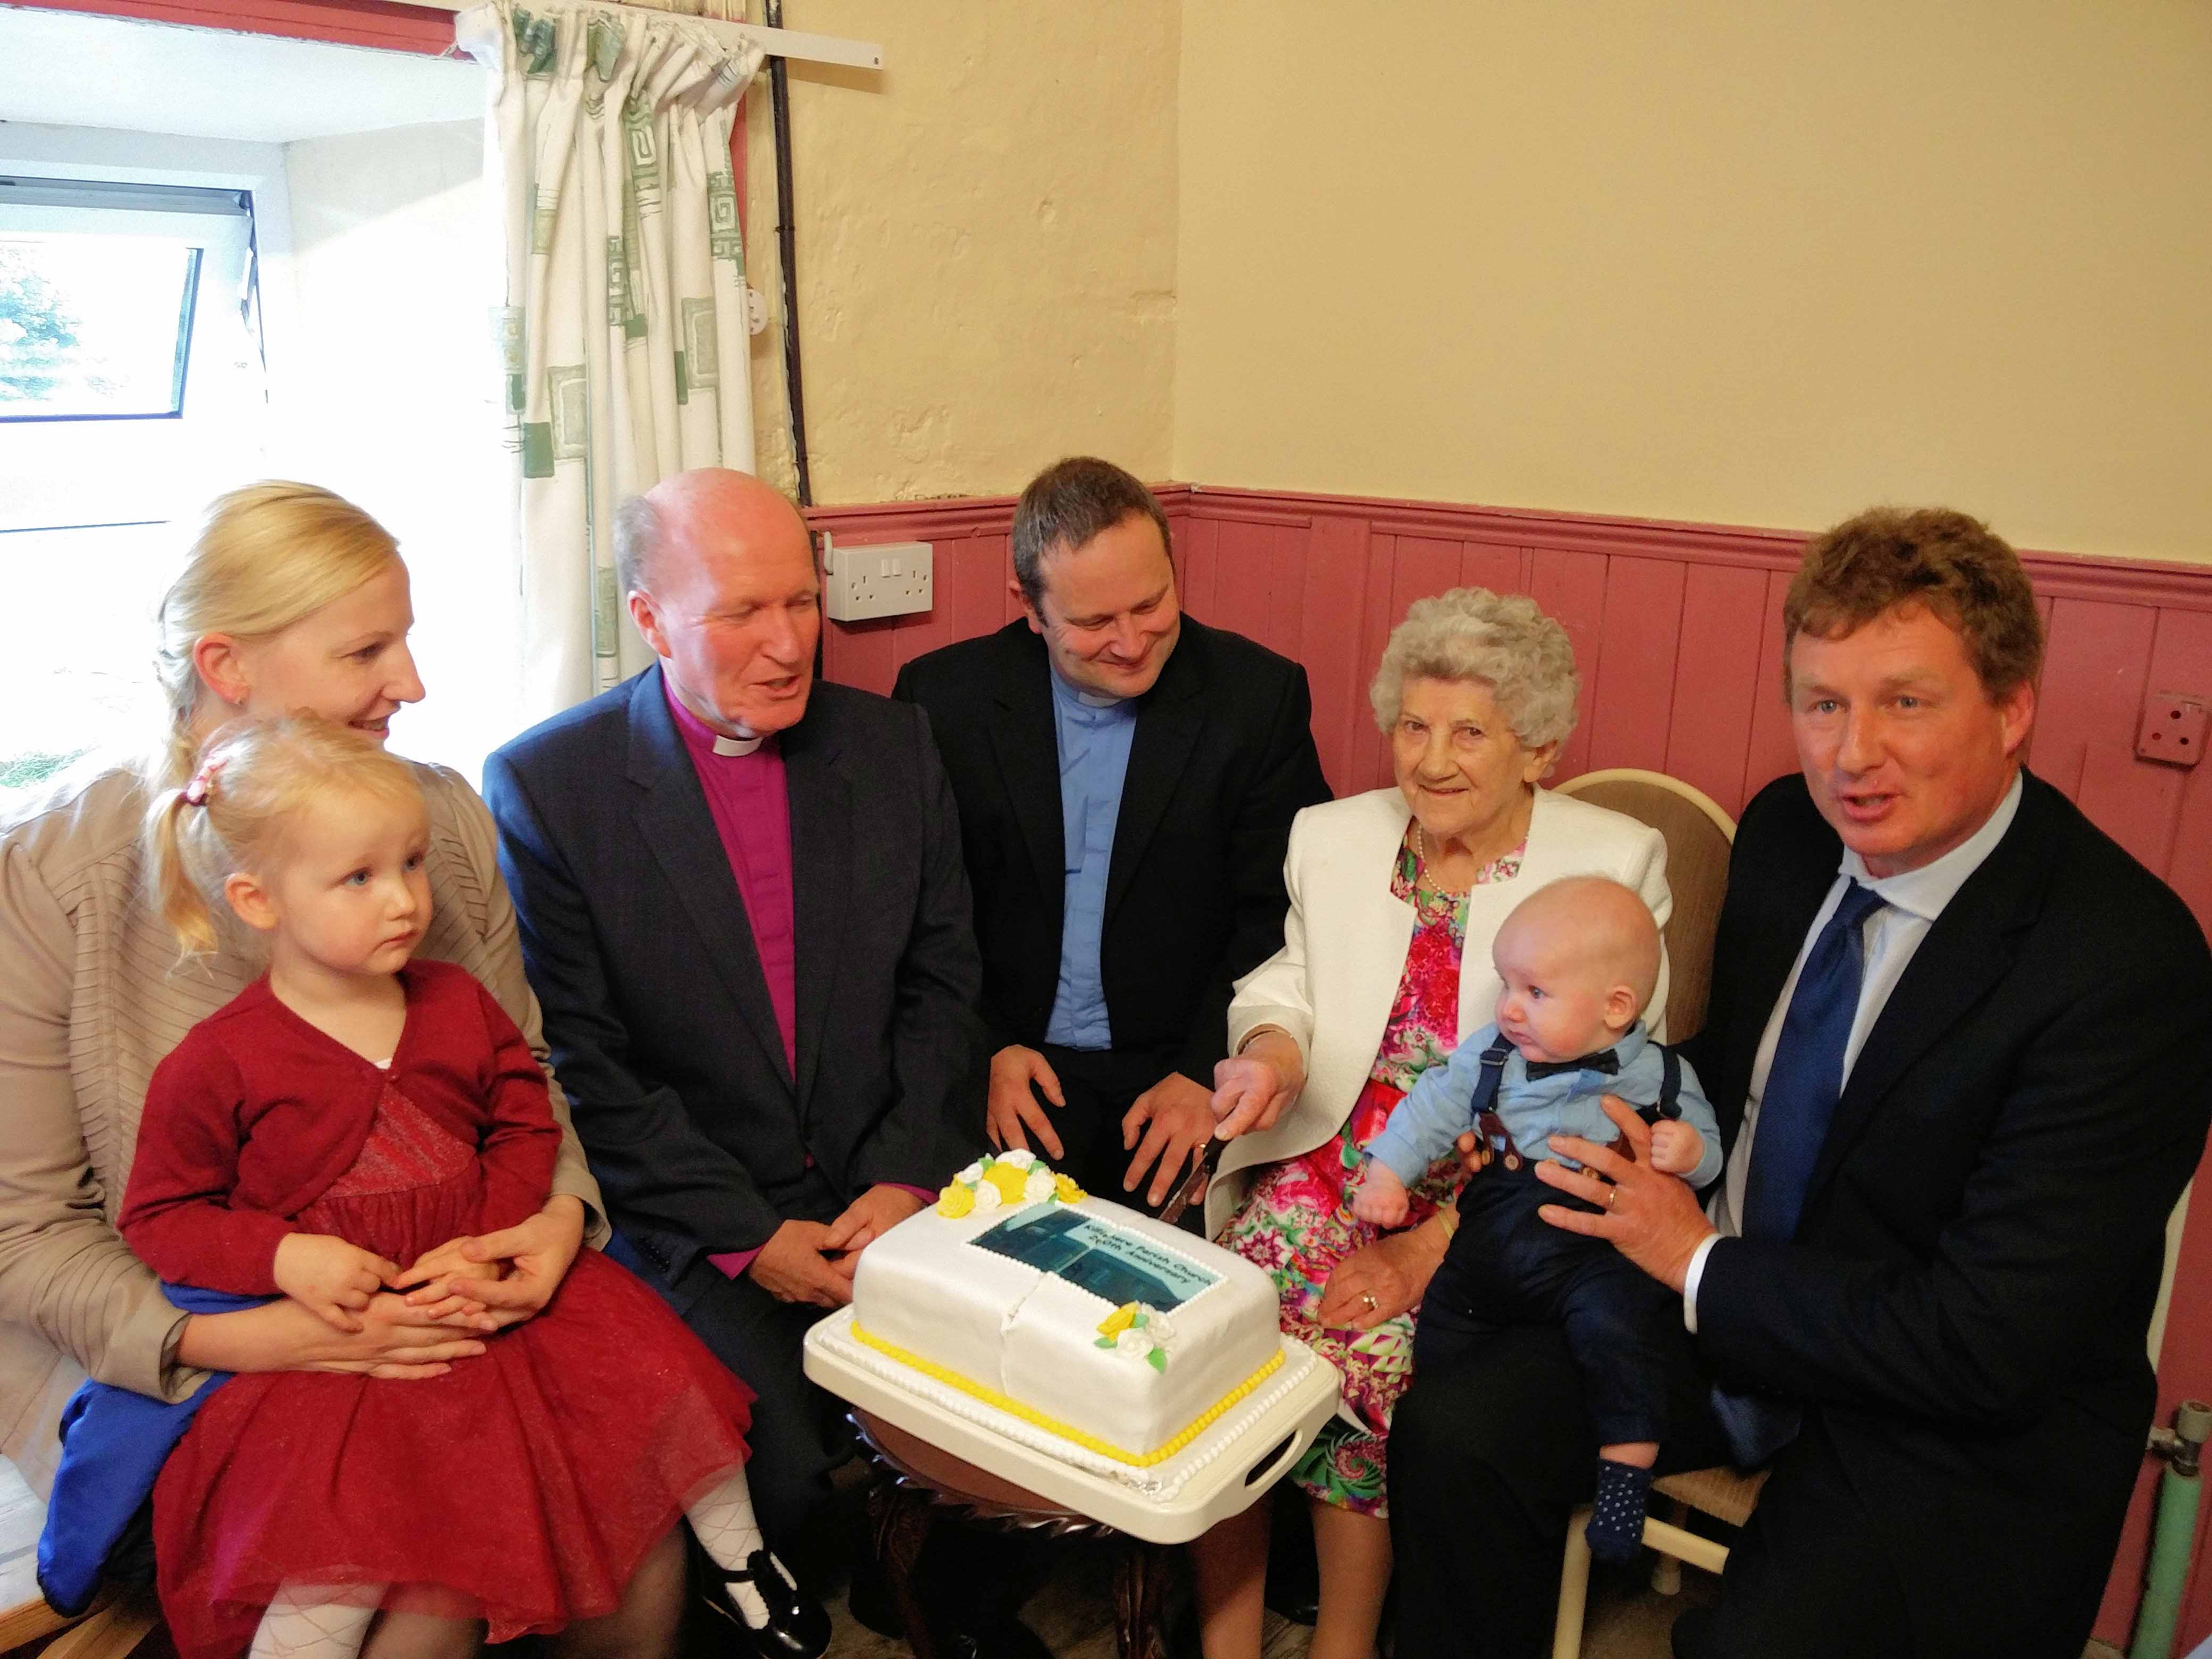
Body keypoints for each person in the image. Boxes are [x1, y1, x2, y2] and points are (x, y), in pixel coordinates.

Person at [1387, 508, 2212, 1659]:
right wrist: (1593, 1144)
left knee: (1763, 1640)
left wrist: (1695, 1259)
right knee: (1453, 1433)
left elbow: (1987, 1341)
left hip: (1941, 1400)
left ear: (2012, 707)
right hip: (1704, 1309)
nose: (1851, 752)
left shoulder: (2124, 964)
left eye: (1905, 703)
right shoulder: (1785, 835)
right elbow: (1714, 1081)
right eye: (1823, 703)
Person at [0, 484, 634, 1649]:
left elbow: (525, 1073)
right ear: (226, 665)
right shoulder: (49, 873)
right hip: (181, 1350)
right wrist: (253, 1337)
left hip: (434, 1298)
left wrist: (557, 1222)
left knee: (640, 1546)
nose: (414, 683)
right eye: (367, 650)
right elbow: (23, 1232)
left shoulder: (433, 823)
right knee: (428, 1581)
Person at [98, 716, 824, 1659]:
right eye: (359, 878)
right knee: (342, 1538)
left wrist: (489, 1232)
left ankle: (746, 1564)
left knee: (660, 1402)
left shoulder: (455, 1001)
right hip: (351, 1346)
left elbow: (524, 1122)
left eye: (410, 864)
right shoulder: (216, 1061)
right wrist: (286, 1254)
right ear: (258, 900)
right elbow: (162, 1217)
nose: (403, 899)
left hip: (490, 1288)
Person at [483, 468, 990, 1564]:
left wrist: (904, 1180)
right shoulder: (550, 787)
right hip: (701, 1212)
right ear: (649, 620)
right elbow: (586, 1061)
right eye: (741, 612)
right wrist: (746, 1236)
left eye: (801, 600)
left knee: (1006, 1413)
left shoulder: (891, 749)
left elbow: (943, 988)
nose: (788, 642)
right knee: (789, 1484)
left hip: (889, 1181)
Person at [1188, 588, 1674, 1659]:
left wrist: (1434, 1242)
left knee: (1363, 1350)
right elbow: (1292, 980)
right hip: (1326, 1156)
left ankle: (1343, 1644)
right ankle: (1224, 1643)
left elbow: (1616, 1100)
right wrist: (1271, 1048)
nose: (1431, 758)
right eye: (1413, 726)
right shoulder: (1330, 836)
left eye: (1469, 733)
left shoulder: (1613, 867)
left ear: (1537, 747)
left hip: (1493, 1193)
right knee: (1221, 1339)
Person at [892, 456, 1329, 1218]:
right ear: (1030, 609)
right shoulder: (941, 700)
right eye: (1094, 623)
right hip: (1005, 1057)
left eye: (1152, 604)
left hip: (1181, 1067)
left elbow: (1279, 910)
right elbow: (920, 905)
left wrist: (1206, 1069)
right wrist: (984, 1044)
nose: (1132, 642)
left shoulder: (1257, 700)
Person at [1352, 876, 1719, 1565]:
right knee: (1445, 1326)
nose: (1510, 1010)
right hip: (1495, 1233)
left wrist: (1688, 1151)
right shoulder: (1494, 1055)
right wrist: (1386, 1174)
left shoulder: (1661, 1079)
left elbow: (1707, 1149)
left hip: (1595, 1253)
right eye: (1507, 986)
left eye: (1536, 993)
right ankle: (1448, 1474)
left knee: (1622, 1337)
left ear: (1618, 1009)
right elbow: (1432, 1109)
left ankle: (1623, 1472)